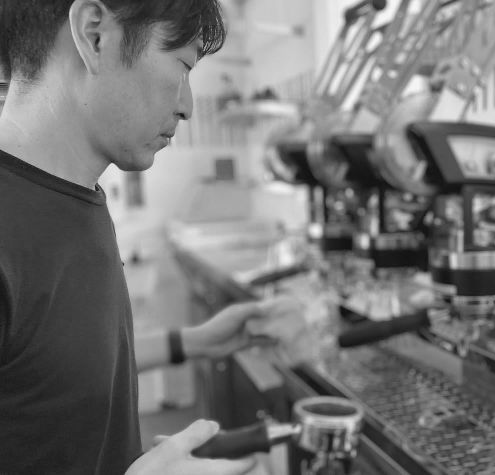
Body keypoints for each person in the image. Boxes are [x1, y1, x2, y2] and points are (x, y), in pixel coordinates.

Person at [0, 1, 300, 474]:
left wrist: (192, 342)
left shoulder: (75, 196)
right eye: (182, 66)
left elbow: (50, 367)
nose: (188, 106)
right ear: (94, 35)